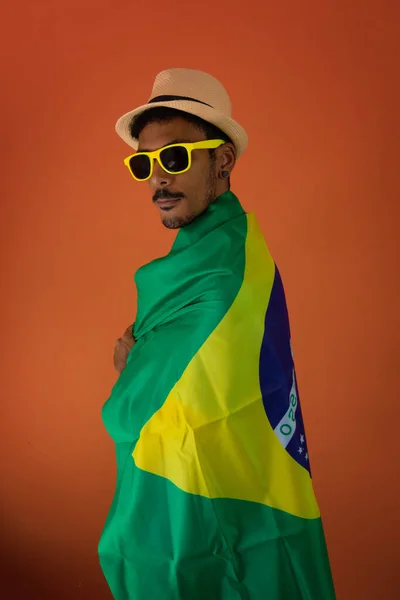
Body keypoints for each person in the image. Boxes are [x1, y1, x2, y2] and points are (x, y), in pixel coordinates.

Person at [99, 68, 335, 600]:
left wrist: (127, 369)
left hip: (220, 499)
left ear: (221, 160)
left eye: (177, 158)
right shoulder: (228, 247)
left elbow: (134, 409)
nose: (159, 178)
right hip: (240, 484)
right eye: (145, 164)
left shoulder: (225, 271)